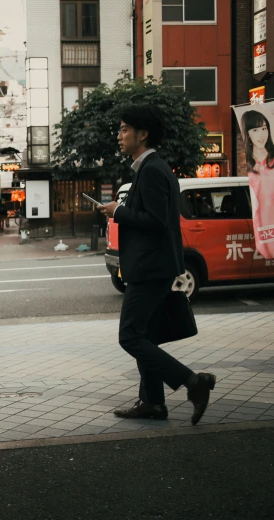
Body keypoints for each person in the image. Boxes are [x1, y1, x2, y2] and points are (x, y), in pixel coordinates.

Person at [98, 105, 215, 425]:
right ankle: (152, 403)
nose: (119, 136)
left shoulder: (152, 170)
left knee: (130, 337)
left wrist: (117, 211)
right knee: (145, 335)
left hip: (150, 270)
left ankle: (194, 382)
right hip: (154, 267)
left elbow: (156, 220)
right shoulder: (152, 168)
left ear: (143, 133)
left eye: (124, 129)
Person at [240, 109, 274, 259]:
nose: (261, 134)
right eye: (255, 130)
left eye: (264, 128)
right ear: (247, 134)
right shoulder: (250, 168)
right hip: (263, 230)